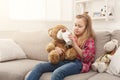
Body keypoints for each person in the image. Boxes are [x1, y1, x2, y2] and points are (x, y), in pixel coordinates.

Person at [26, 13, 96, 80]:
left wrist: (74, 45)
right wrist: (57, 49)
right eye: (75, 25)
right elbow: (62, 46)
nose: (76, 28)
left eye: (80, 26)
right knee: (39, 66)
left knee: (57, 73)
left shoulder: (89, 40)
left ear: (86, 28)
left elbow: (87, 58)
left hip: (79, 64)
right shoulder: (70, 36)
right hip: (66, 61)